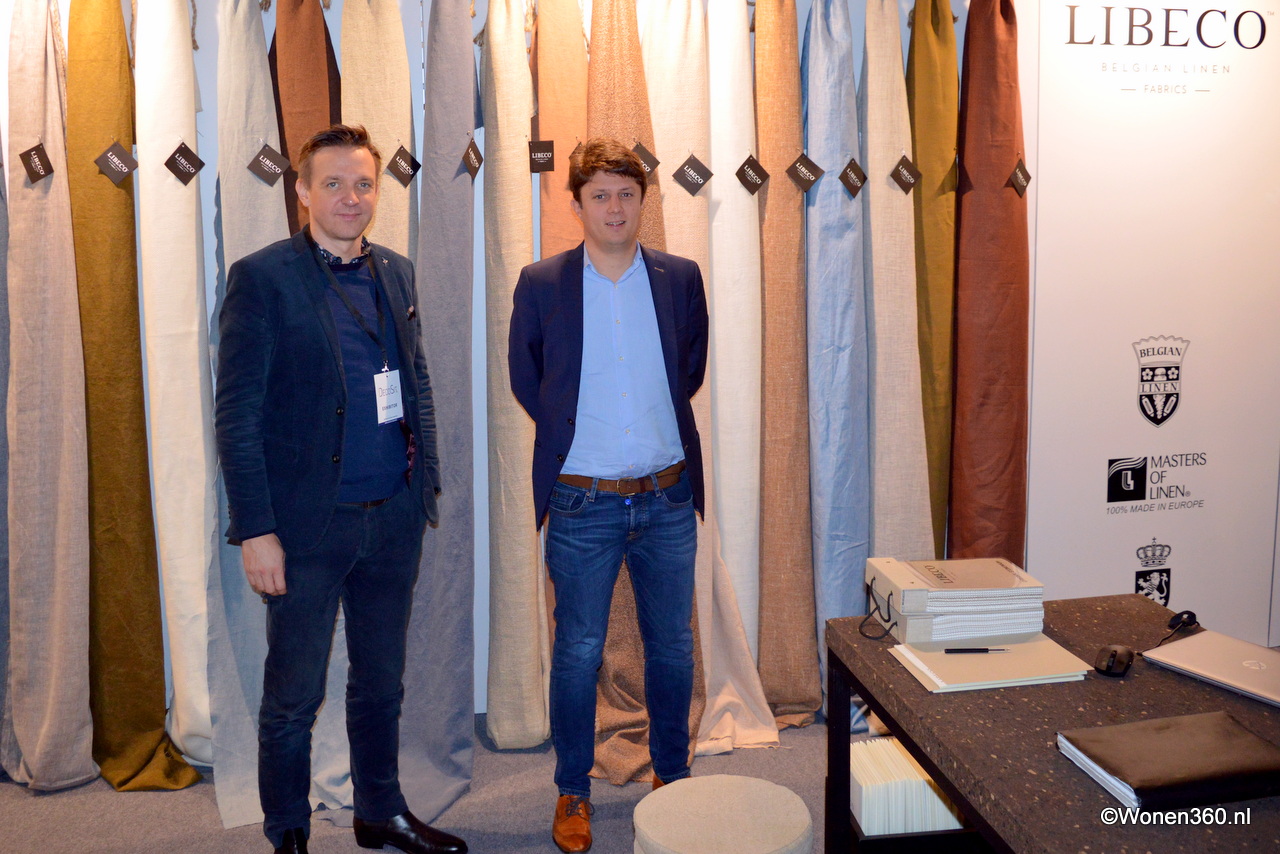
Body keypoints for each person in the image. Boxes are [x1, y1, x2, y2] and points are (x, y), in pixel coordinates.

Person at [215, 124, 467, 854]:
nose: (350, 197)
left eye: (362, 183)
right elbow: (237, 415)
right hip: (304, 527)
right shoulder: (262, 278)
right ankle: (288, 831)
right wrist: (255, 528)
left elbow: (415, 380)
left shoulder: (397, 272)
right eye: (332, 183)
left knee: (381, 684)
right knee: (293, 695)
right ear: (302, 192)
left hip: (393, 517)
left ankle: (379, 813)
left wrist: (425, 487)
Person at [507, 137, 709, 853]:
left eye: (627, 193)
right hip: (581, 501)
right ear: (577, 204)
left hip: (667, 497)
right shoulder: (541, 282)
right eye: (600, 195)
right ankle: (573, 789)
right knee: (578, 652)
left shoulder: (681, 278)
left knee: (672, 647)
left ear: (643, 200)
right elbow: (529, 379)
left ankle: (672, 777)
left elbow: (689, 370)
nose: (615, 207)